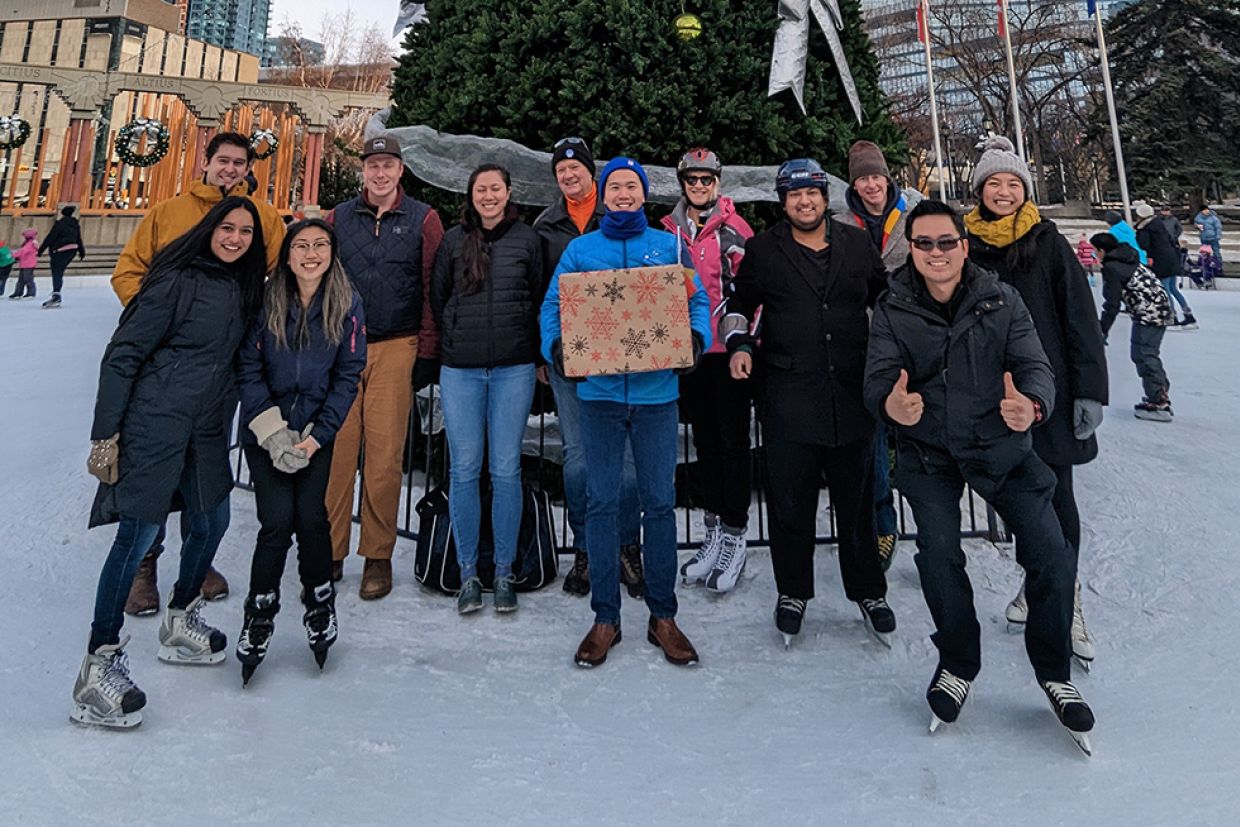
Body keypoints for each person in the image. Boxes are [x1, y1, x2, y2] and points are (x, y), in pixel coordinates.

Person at [863, 199, 1094, 750]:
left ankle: (1054, 670)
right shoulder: (894, 307)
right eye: (924, 244)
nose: (936, 253)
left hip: (1001, 446)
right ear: (911, 250)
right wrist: (891, 407)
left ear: (964, 246)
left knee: (1052, 552)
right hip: (931, 451)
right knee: (939, 556)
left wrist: (1033, 404)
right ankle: (958, 662)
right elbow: (877, 378)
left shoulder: (1000, 298)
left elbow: (1035, 364)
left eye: (947, 242)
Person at [73, 197, 268, 729]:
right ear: (209, 229)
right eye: (226, 228)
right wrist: (106, 433)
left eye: (245, 232)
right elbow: (123, 354)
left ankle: (182, 616)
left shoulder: (247, 291)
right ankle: (98, 665)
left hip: (205, 428)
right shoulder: (175, 280)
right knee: (136, 535)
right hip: (154, 422)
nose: (234, 238)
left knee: (213, 519)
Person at [541, 156, 711, 668]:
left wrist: (696, 340)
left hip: (658, 396)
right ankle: (605, 618)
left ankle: (663, 616)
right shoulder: (580, 250)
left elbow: (696, 300)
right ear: (604, 193)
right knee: (602, 501)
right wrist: (558, 348)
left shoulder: (668, 245)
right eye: (614, 186)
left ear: (643, 195)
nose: (622, 194)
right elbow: (553, 305)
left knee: (660, 504)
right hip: (600, 398)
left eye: (631, 187)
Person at [721, 158, 895, 648]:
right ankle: (793, 592)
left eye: (812, 193)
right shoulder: (762, 250)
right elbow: (737, 306)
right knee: (790, 505)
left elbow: (888, 300)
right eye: (794, 195)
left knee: (857, 504)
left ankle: (869, 591)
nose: (804, 202)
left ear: (825, 197)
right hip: (787, 398)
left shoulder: (858, 244)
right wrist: (737, 346)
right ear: (783, 201)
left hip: (851, 397)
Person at [113, 130, 287, 615]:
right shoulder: (167, 213)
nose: (230, 169)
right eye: (223, 161)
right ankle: (145, 564)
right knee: (156, 462)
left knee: (204, 464)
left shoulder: (264, 219)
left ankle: (199, 558)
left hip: (223, 368)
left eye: (239, 163)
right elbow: (128, 271)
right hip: (165, 367)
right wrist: (158, 322)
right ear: (206, 162)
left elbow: (279, 281)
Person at [964, 136, 1108, 670]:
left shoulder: (1047, 242)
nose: (1003, 192)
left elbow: (1080, 320)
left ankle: (1065, 599)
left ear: (1024, 190)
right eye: (994, 183)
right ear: (979, 190)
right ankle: (1038, 581)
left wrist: (1091, 390)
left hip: (1050, 391)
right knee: (1019, 499)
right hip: (990, 395)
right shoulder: (965, 243)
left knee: (1056, 498)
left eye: (1012, 184)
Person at [234, 219, 366, 685]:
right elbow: (247, 368)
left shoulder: (346, 303)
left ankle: (319, 603)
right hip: (265, 430)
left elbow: (348, 374)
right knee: (276, 522)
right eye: (302, 246)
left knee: (311, 519)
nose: (311, 253)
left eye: (321, 245)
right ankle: (260, 610)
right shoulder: (266, 300)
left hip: (314, 432)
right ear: (288, 256)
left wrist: (314, 437)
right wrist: (272, 432)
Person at [325, 134, 444, 601]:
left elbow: (433, 285)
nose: (379, 173)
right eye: (372, 165)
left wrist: (428, 348)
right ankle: (330, 550)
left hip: (397, 345)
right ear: (364, 171)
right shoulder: (338, 218)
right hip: (342, 346)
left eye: (388, 166)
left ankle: (377, 555)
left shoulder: (423, 219)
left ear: (400, 171)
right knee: (336, 454)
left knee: (383, 459)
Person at [532, 137, 644, 600]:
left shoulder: (620, 217)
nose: (569, 176)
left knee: (627, 464)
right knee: (577, 459)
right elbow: (541, 294)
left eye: (576, 168)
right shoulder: (545, 226)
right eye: (562, 171)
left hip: (624, 360)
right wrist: (546, 349)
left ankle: (626, 548)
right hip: (570, 361)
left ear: (592, 173)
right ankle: (584, 547)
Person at [432, 164, 543, 615]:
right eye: (482, 189)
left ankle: (503, 570)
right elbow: (438, 297)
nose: (489, 196)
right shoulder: (454, 241)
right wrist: (457, 337)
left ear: (508, 192)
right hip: (461, 371)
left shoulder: (527, 241)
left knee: (505, 470)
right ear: (472, 195)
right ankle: (467, 572)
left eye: (496, 188)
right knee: (464, 469)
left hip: (513, 369)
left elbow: (537, 297)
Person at [659, 147, 755, 593]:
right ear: (682, 184)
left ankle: (736, 533)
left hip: (726, 352)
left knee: (733, 441)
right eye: (692, 181)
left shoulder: (734, 229)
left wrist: (745, 343)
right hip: (688, 351)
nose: (700, 187)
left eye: (707, 180)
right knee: (706, 442)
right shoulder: (667, 231)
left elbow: (752, 291)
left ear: (718, 183)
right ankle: (714, 529)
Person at [832, 139, 910, 571]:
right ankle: (881, 524)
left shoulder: (911, 216)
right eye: (862, 178)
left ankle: (938, 524)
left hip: (911, 339)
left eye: (875, 175)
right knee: (874, 437)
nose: (870, 184)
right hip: (863, 344)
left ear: (886, 177)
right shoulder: (842, 224)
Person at [1093, 232, 1175, 422]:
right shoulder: (1128, 258)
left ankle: (1159, 400)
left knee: (1144, 354)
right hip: (1159, 307)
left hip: (1149, 311)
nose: (1094, 256)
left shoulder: (1112, 268)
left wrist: (1102, 329)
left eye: (1094, 251)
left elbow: (1111, 304)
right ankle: (1158, 392)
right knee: (1144, 353)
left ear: (1102, 251)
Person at [1136, 202, 1196, 329]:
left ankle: (1171, 317)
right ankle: (1188, 314)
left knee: (1165, 289)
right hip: (1172, 257)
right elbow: (1170, 238)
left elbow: (1143, 245)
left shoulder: (1147, 228)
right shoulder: (1159, 224)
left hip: (1161, 261)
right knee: (1173, 288)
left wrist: (1139, 233)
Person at [37, 206, 86, 308]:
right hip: (72, 250)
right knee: (59, 272)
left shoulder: (60, 224)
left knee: (57, 272)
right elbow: (78, 238)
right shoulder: (75, 225)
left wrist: (40, 251)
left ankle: (56, 295)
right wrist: (81, 251)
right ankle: (56, 293)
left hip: (60, 250)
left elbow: (50, 237)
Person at [8, 228, 38, 299]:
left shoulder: (30, 244)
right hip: (24, 264)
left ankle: (31, 293)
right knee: (21, 279)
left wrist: (13, 255)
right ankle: (18, 293)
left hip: (28, 264)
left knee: (28, 279)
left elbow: (23, 251)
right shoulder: (27, 243)